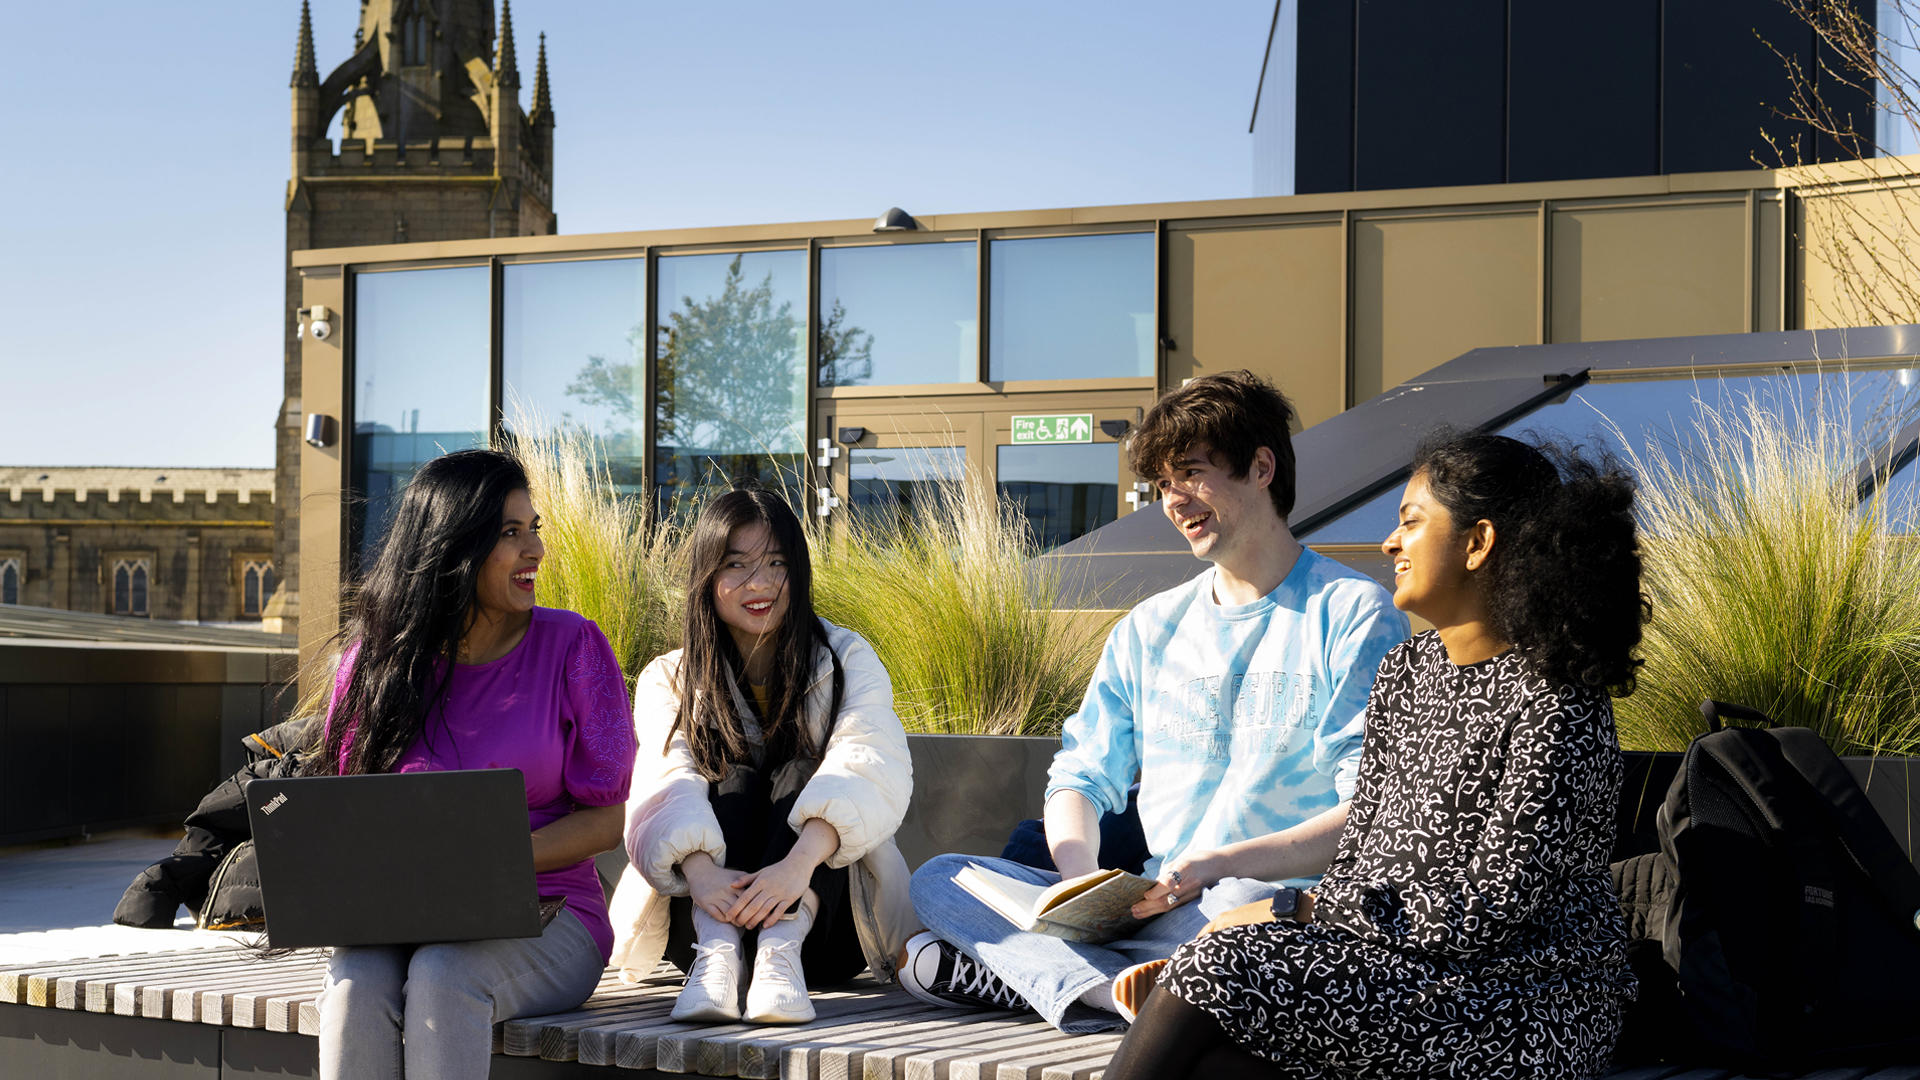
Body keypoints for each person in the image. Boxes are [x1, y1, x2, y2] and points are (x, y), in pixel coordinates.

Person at [1102, 431, 1646, 1080]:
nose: (1390, 543)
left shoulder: (1554, 699)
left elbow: (1485, 911)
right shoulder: (1408, 671)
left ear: (1478, 543)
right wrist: (1300, 922)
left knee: (1219, 965)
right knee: (1215, 1058)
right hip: (1396, 973)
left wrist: (1293, 910)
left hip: (1524, 1000)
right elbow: (1362, 845)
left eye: (1411, 523)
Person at [901, 371, 1410, 1033]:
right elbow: (1081, 775)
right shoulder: (1149, 627)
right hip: (1147, 905)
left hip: (1256, 902)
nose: (1174, 500)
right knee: (944, 878)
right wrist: (1077, 880)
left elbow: (1365, 815)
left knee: (1246, 913)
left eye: (1191, 474)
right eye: (1163, 484)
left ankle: (1053, 979)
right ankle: (1117, 990)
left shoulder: (1351, 613)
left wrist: (1222, 862)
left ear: (1261, 467)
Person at [312, 448, 637, 1079]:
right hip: (404, 911)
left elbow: (607, 820)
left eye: (534, 528)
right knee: (354, 979)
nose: (535, 550)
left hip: (549, 914)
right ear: (453, 548)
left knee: (444, 972)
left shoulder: (573, 647)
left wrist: (490, 860)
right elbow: (345, 813)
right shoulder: (375, 666)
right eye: (510, 534)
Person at [608, 486, 916, 1024]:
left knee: (806, 773)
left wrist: (795, 870)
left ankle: (779, 956)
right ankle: (721, 959)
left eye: (776, 562)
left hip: (824, 932)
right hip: (701, 924)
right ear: (707, 576)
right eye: (737, 565)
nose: (761, 583)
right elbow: (664, 780)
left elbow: (867, 761)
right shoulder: (670, 677)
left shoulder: (846, 658)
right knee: (728, 778)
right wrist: (703, 878)